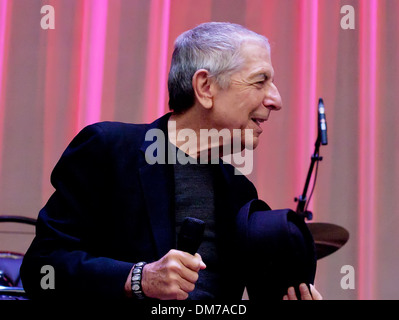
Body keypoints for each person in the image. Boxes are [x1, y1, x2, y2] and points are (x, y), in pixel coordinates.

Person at [20, 22, 322, 300]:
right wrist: (137, 278)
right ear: (205, 88)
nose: (276, 100)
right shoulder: (108, 149)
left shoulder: (240, 192)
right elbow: (41, 269)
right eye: (260, 82)